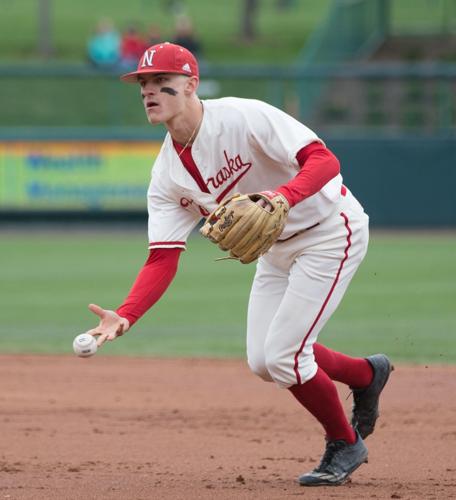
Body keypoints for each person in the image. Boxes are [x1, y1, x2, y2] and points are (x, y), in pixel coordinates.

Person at [85, 42, 393, 487]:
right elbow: (162, 257)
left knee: (286, 356)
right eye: (143, 84)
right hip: (276, 251)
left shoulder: (242, 116)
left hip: (329, 231)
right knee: (263, 362)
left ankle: (345, 443)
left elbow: (324, 160)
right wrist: (127, 314)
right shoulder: (167, 177)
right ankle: (367, 374)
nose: (149, 92)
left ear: (191, 85)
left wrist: (281, 196)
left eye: (161, 83)